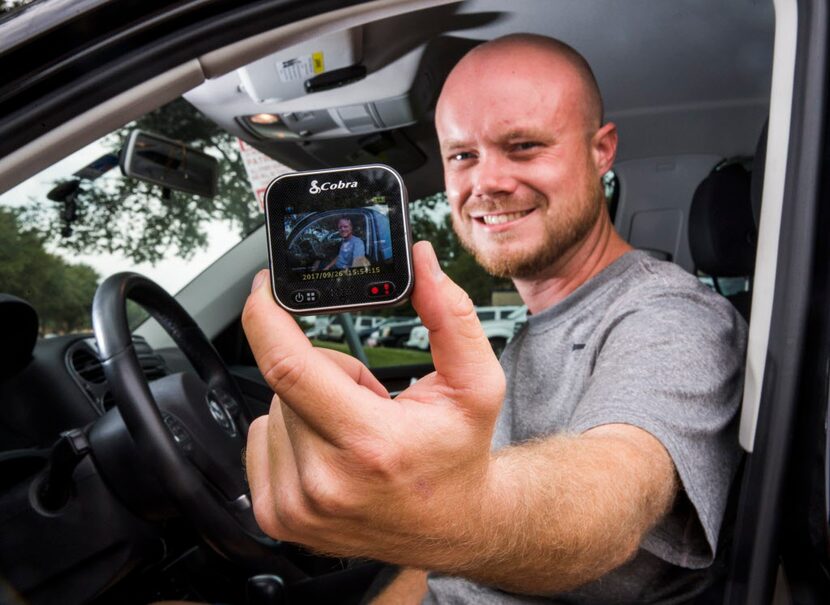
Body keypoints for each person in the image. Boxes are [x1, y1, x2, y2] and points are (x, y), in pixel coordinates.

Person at [241, 34, 746, 603]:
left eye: (525, 146)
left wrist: (444, 507)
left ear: (601, 151)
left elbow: (612, 493)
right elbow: (455, 566)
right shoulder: (535, 327)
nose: (486, 183)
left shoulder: (674, 317)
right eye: (462, 155)